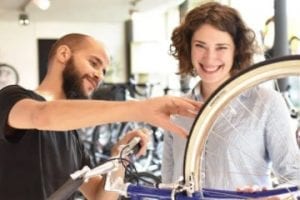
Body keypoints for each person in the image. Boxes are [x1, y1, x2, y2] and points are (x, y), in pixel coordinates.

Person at [0, 33, 201, 200]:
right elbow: (41, 116)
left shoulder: (72, 138)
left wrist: (119, 155)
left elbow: (99, 196)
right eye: (94, 63)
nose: (99, 76)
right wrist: (140, 108)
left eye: (103, 70)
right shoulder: (12, 97)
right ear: (63, 54)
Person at [162, 1, 300, 197]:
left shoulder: (266, 102)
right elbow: (167, 184)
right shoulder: (176, 109)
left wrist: (274, 196)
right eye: (200, 46)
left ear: (236, 50)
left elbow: (295, 176)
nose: (210, 58)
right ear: (188, 48)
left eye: (221, 47)